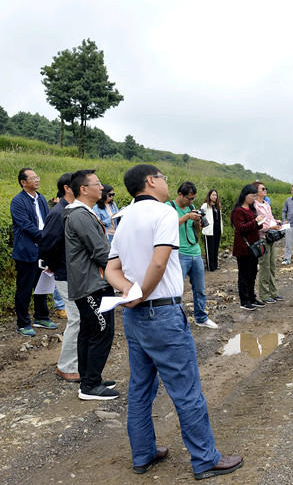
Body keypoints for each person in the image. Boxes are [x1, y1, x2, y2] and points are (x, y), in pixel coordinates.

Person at [104, 164, 244, 479]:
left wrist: (129, 291)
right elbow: (160, 260)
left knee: (141, 388)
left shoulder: (123, 219)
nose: (167, 183)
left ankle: (143, 454)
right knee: (186, 389)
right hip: (162, 313)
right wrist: (142, 292)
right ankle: (206, 459)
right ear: (151, 181)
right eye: (164, 178)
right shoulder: (164, 213)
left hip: (133, 316)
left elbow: (110, 269)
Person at [64, 169, 117, 400]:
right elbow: (100, 251)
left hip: (92, 282)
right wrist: (121, 277)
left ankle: (89, 378)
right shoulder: (80, 215)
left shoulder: (84, 213)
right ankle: (90, 386)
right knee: (101, 330)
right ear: (83, 189)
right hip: (91, 284)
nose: (101, 188)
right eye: (97, 184)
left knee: (89, 331)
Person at [40, 173, 81, 382]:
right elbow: (47, 243)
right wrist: (53, 266)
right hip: (66, 274)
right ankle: (65, 366)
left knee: (81, 319)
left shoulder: (75, 209)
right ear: (68, 188)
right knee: (77, 319)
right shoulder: (59, 213)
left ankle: (75, 363)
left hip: (77, 273)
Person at [11, 168, 58, 336]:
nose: (37, 180)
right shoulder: (18, 201)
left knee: (42, 284)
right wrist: (44, 236)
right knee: (24, 288)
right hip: (27, 250)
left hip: (42, 249)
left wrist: (49, 238)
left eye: (37, 177)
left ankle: (41, 316)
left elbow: (47, 220)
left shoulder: (41, 198)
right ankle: (23, 323)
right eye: (33, 178)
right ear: (23, 182)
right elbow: (25, 224)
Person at [169, 182, 217, 329]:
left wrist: (197, 221)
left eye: (193, 199)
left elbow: (194, 230)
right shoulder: (168, 207)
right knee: (177, 289)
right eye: (188, 198)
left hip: (195, 252)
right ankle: (174, 320)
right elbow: (167, 226)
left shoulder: (190, 208)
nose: (191, 202)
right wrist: (186, 217)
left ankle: (201, 317)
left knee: (200, 289)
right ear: (180, 194)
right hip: (179, 253)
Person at [231, 185, 266, 311]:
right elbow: (241, 228)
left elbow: (254, 226)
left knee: (252, 273)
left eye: (255, 196)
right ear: (245, 195)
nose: (253, 198)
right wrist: (255, 222)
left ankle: (252, 297)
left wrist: (260, 223)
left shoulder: (252, 209)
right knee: (244, 274)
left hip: (253, 247)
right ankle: (244, 300)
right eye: (252, 196)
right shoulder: (238, 211)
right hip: (243, 247)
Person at [253, 181, 283, 304]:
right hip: (262, 238)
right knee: (264, 266)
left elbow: (269, 219)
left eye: (265, 188)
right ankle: (264, 294)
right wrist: (270, 227)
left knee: (272, 265)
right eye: (263, 189)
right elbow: (259, 224)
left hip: (270, 237)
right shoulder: (254, 206)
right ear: (257, 192)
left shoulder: (266, 204)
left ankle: (273, 292)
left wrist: (277, 222)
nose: (265, 190)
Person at [200, 189, 222, 272]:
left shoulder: (217, 206)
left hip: (217, 229)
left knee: (215, 248)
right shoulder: (205, 205)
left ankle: (215, 264)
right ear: (209, 196)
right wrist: (204, 224)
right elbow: (201, 214)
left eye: (216, 195)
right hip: (209, 230)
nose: (214, 196)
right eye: (213, 195)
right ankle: (210, 266)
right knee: (210, 248)